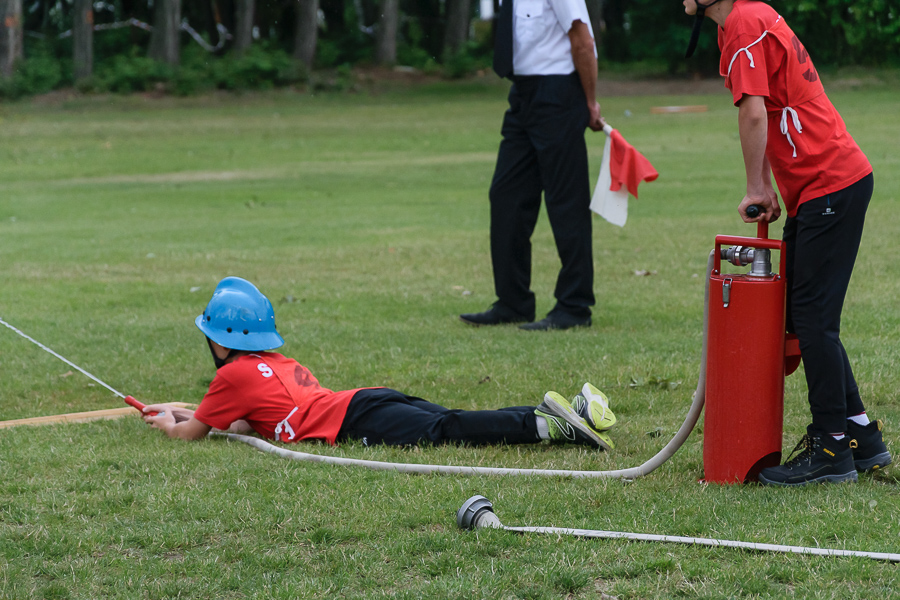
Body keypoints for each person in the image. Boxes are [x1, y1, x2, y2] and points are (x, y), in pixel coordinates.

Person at [682, 0, 891, 486]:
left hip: (830, 184)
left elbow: (754, 115)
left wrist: (757, 188)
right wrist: (772, 187)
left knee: (814, 319)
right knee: (803, 318)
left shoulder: (743, 23)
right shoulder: (744, 20)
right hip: (820, 189)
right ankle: (859, 434)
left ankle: (831, 447)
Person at [142, 277, 617, 450]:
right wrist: (194, 410)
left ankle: (545, 425)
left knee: (449, 430)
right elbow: (253, 422)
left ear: (222, 341)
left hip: (353, 420)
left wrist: (168, 421)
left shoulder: (231, 376)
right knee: (448, 419)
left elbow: (191, 435)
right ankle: (566, 415)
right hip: (365, 400)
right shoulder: (273, 362)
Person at [459, 0, 603, 331]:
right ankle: (513, 301)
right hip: (523, 94)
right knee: (506, 196)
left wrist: (589, 102)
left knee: (566, 202)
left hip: (558, 92)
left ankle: (574, 306)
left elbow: (583, 40)